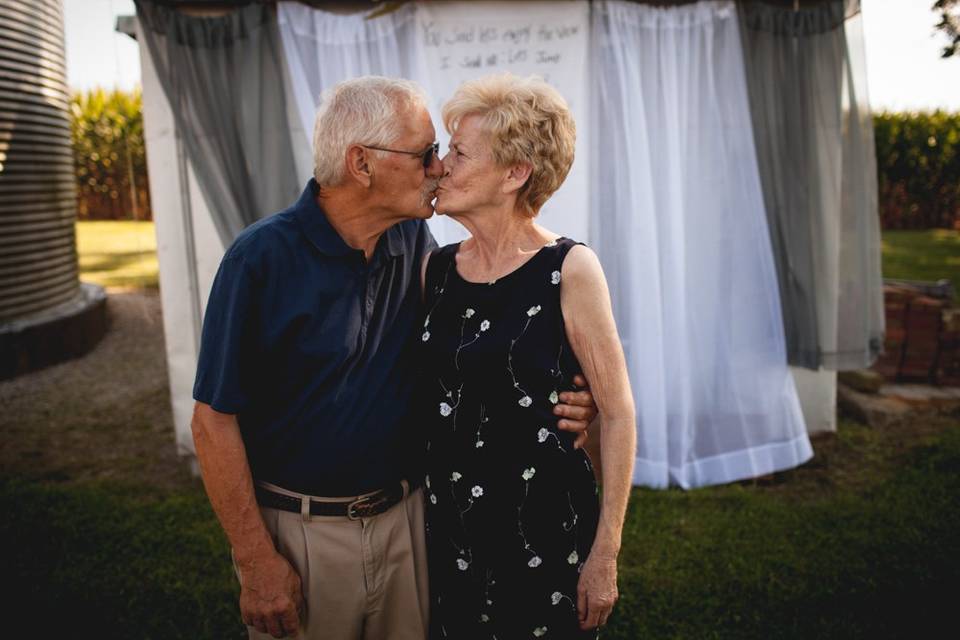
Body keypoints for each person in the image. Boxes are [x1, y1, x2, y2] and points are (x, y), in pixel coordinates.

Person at [190, 76, 598, 640]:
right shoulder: (259, 261)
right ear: (362, 163)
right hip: (306, 533)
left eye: (444, 152)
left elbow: (478, 348)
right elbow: (212, 421)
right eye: (426, 152)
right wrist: (256, 559)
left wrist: (574, 397)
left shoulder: (415, 245)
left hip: (411, 525)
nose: (438, 167)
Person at [418, 73, 637, 639]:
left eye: (460, 153)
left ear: (515, 174)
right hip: (447, 535)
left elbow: (617, 412)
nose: (441, 165)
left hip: (545, 536)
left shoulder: (569, 270)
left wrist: (605, 552)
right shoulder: (435, 270)